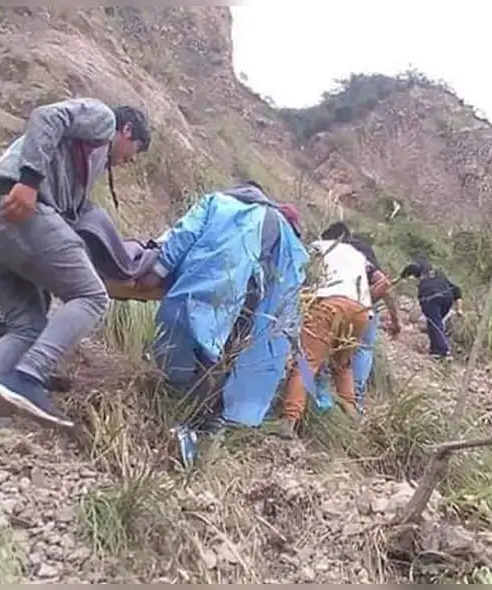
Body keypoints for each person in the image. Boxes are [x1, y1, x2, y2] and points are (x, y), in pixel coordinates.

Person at [0, 98, 150, 432]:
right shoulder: (103, 120)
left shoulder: (85, 161)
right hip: (20, 212)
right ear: (127, 130)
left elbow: (69, 219)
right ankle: (28, 376)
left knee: (26, 323)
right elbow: (47, 116)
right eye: (136, 149)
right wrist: (29, 182)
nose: (130, 160)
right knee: (93, 297)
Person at [136, 181, 308, 436]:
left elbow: (183, 236)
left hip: (202, 280)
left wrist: (157, 270)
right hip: (248, 294)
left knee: (183, 340)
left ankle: (176, 405)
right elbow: (287, 275)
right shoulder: (278, 224)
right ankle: (204, 418)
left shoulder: (216, 202)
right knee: (223, 355)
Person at [276, 233, 376, 439]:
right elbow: (378, 280)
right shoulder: (357, 254)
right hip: (360, 311)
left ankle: (289, 422)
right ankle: (352, 420)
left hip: (330, 305)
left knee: (306, 363)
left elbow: (301, 273)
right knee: (343, 367)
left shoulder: (319, 246)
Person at [313, 222, 400, 414]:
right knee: (355, 356)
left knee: (313, 356)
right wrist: (394, 320)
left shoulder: (332, 250)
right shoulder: (363, 250)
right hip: (362, 312)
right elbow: (384, 284)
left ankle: (316, 404)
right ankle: (354, 409)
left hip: (331, 306)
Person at [400, 258, 463, 359]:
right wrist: (459, 309)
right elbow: (457, 290)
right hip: (447, 297)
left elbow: (411, 267)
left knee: (435, 323)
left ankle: (445, 351)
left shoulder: (422, 270)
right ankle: (435, 350)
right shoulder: (440, 275)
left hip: (430, 298)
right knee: (435, 323)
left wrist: (402, 276)